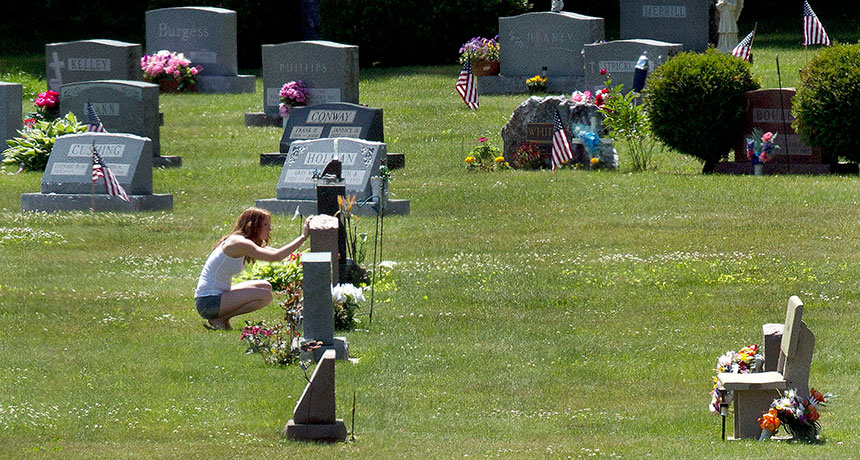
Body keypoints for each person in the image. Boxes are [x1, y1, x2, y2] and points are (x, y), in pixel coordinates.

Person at [195, 207, 310, 330]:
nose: (269, 229)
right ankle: (220, 319)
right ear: (253, 225)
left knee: (265, 286)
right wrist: (303, 236)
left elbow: (278, 254)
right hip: (208, 302)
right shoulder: (239, 243)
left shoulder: (243, 242)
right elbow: (276, 256)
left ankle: (221, 319)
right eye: (265, 224)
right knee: (265, 295)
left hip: (215, 297)